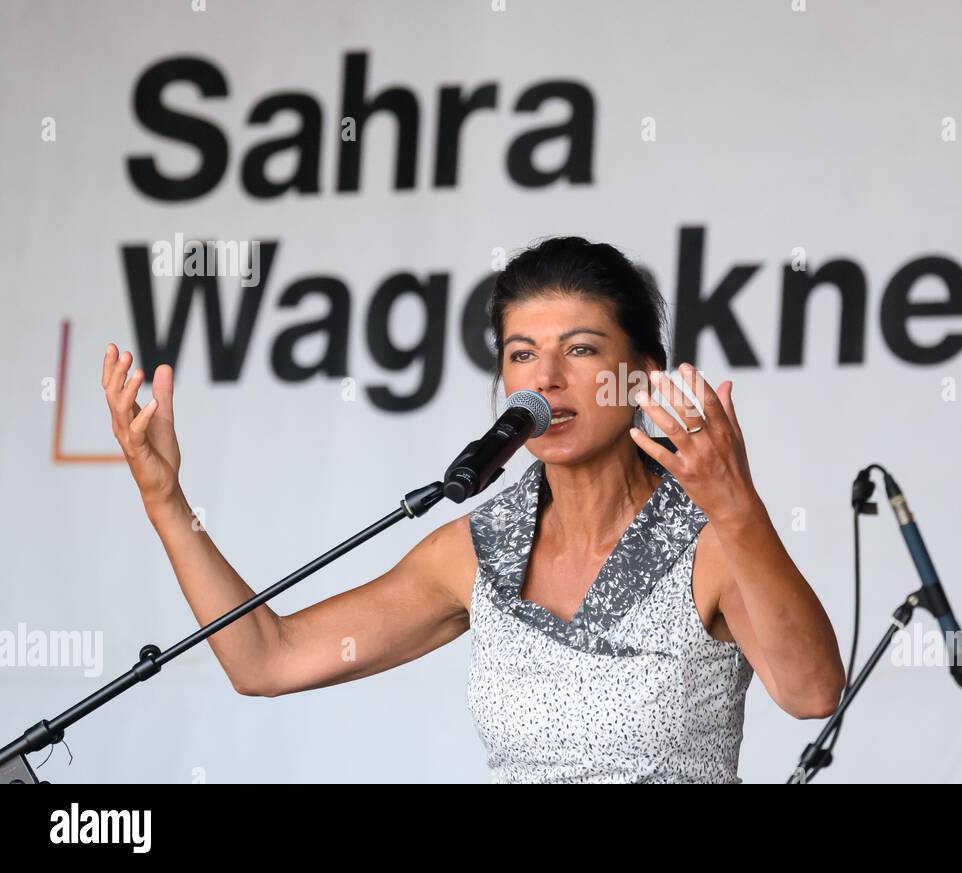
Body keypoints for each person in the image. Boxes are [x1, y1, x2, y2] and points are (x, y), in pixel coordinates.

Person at [101, 236, 845, 783]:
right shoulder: (477, 549)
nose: (547, 378)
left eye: (582, 350)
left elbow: (813, 692)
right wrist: (166, 500)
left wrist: (739, 507)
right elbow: (265, 657)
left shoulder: (709, 540)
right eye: (522, 354)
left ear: (641, 376)